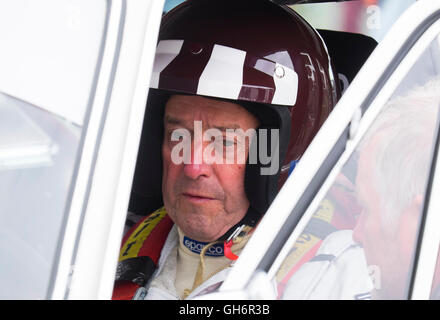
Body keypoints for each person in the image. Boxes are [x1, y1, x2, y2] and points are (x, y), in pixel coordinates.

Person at [112, 0, 340, 300]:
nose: (193, 167)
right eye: (177, 136)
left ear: (274, 155)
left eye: (224, 142)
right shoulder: (107, 238)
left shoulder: (328, 276)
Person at [281, 77, 440, 300]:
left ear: (423, 221)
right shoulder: (338, 259)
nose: (356, 234)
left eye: (367, 209)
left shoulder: (337, 267)